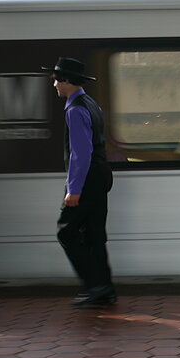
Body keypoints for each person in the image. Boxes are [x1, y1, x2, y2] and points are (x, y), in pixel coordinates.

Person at [42, 57, 115, 306]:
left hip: (86, 181)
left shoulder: (75, 110)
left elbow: (80, 154)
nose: (54, 85)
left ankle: (96, 285)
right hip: (100, 177)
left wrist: (73, 190)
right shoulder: (91, 104)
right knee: (94, 235)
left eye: (56, 80)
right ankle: (106, 289)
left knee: (67, 233)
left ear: (67, 81)